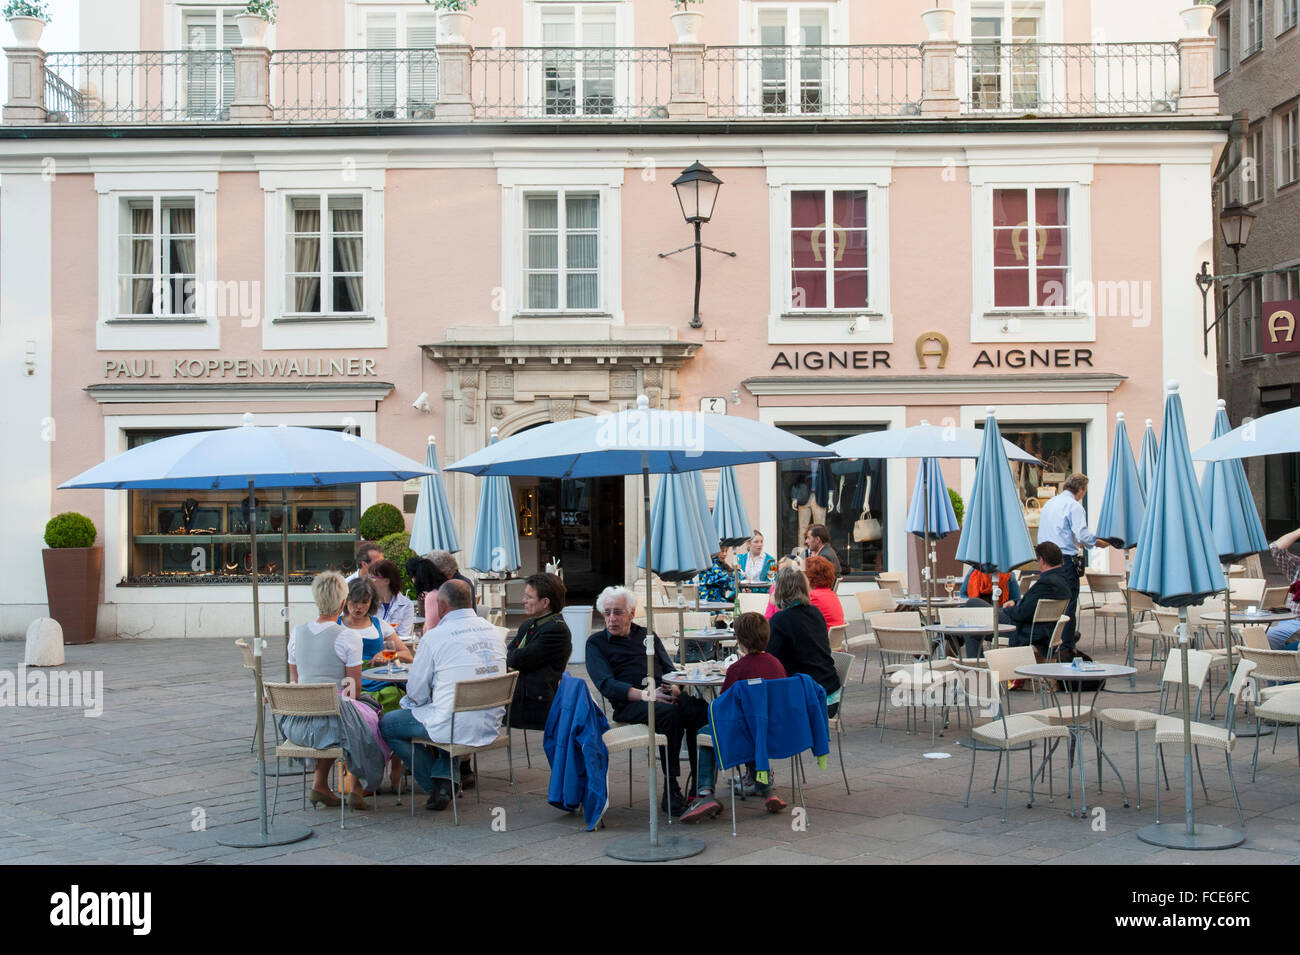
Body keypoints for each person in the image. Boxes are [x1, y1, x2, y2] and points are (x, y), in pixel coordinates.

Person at [380, 580, 508, 810]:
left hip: (452, 723)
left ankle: (435, 784)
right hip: (489, 722)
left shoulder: (434, 637)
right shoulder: (495, 632)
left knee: (389, 724)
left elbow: (417, 693)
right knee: (444, 710)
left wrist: (414, 702)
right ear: (471, 601)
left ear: (441, 606)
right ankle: (447, 779)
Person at [585, 585, 709, 816]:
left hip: (662, 693)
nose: (611, 618)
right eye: (607, 612)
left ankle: (700, 787)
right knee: (670, 715)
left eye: (618, 612)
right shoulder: (596, 644)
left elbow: (670, 670)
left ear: (631, 613)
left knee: (701, 712)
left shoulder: (647, 636)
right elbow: (606, 685)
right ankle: (671, 790)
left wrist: (674, 690)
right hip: (630, 704)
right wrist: (646, 695)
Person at [281, 571, 388, 811]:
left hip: (298, 722)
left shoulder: (296, 633)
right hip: (330, 723)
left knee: (338, 714)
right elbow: (353, 689)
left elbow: (297, 680)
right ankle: (358, 788)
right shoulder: (347, 637)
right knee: (365, 718)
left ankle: (320, 785)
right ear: (343, 603)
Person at [680, 613, 788, 822]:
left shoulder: (737, 669)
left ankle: (705, 792)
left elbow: (724, 705)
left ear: (738, 639)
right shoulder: (776, 664)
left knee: (706, 732)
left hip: (745, 731)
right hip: (772, 728)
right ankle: (768, 792)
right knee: (754, 730)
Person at [1036, 473, 1109, 650]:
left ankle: (1050, 641)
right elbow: (1082, 534)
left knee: (1050, 603)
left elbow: (1065, 533)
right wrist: (1100, 543)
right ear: (1081, 489)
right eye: (1085, 490)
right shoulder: (1074, 506)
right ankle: (1066, 646)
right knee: (1068, 603)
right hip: (1064, 560)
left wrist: (1080, 542)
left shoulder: (1050, 504)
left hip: (1045, 559)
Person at [766, 566, 841, 717]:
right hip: (830, 693)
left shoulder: (780, 620)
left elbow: (769, 660)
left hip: (807, 697)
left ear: (779, 590)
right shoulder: (816, 613)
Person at [506, 573, 572, 730]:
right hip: (518, 695)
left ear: (545, 602)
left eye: (529, 597)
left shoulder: (556, 629)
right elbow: (508, 653)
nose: (523, 601)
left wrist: (512, 660)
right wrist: (511, 659)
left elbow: (516, 659)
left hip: (535, 705)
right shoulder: (529, 624)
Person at [992, 541, 1074, 659]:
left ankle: (974, 667)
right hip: (1044, 633)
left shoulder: (1046, 583)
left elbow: (1022, 613)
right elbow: (1033, 604)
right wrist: (1016, 602)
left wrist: (1009, 609)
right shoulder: (1063, 581)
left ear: (1042, 560)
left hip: (1026, 632)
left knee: (978, 611)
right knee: (979, 614)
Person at [1266, 527, 1300, 650]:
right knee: (1268, 637)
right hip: (1291, 621)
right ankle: (1276, 667)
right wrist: (1298, 532)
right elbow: (1275, 548)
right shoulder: (1296, 566)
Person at [369, 559, 415, 639]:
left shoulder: (406, 605)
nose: (369, 581)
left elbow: (403, 636)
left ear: (386, 581)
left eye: (373, 577)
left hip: (394, 650)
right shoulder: (367, 602)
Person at [407, 556, 449, 635]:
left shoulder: (433, 596)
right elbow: (424, 615)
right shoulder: (445, 589)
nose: (412, 581)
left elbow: (431, 629)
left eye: (411, 576)